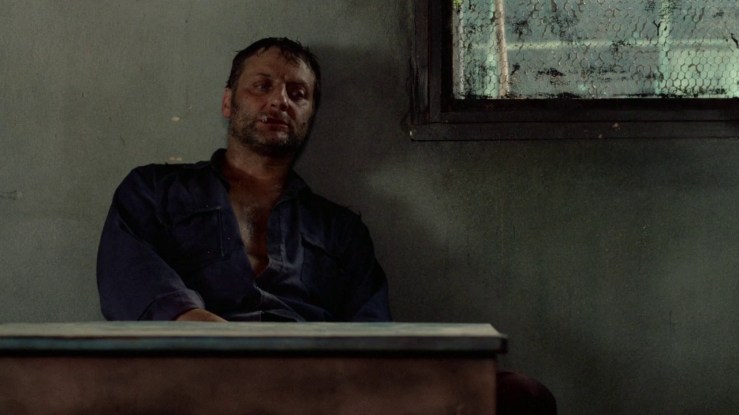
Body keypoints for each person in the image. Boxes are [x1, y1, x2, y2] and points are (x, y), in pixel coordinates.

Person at [97, 37, 555, 414]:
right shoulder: (154, 190)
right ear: (227, 101)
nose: (279, 100)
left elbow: (369, 333)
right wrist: (214, 340)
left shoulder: (340, 230)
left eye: (298, 94)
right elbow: (130, 278)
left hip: (317, 384)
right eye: (262, 85)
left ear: (310, 117)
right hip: (196, 372)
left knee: (519, 395)